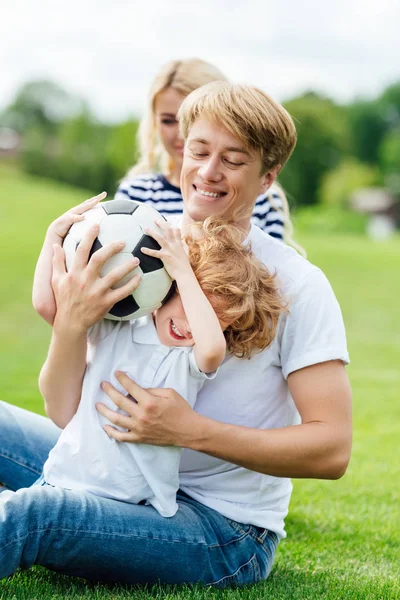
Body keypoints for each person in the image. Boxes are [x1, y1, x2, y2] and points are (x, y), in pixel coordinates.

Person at [0, 81, 352, 587]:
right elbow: (65, 414)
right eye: (200, 151)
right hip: (112, 473)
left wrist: (188, 431)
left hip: (220, 528)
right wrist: (72, 326)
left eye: (233, 160)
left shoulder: (298, 284)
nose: (208, 172)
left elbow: (332, 448)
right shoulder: (132, 246)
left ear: (267, 177)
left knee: (37, 514)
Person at [37, 208, 284, 518]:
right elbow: (48, 306)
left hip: (133, 508)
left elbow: (211, 349)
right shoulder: (118, 326)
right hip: (62, 479)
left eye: (210, 318)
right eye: (190, 300)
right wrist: (53, 239)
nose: (190, 326)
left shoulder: (189, 361)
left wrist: (184, 272)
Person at [114, 58, 300, 248]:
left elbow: (267, 267)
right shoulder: (137, 193)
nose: (181, 133)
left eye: (233, 160)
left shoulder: (262, 202)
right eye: (168, 121)